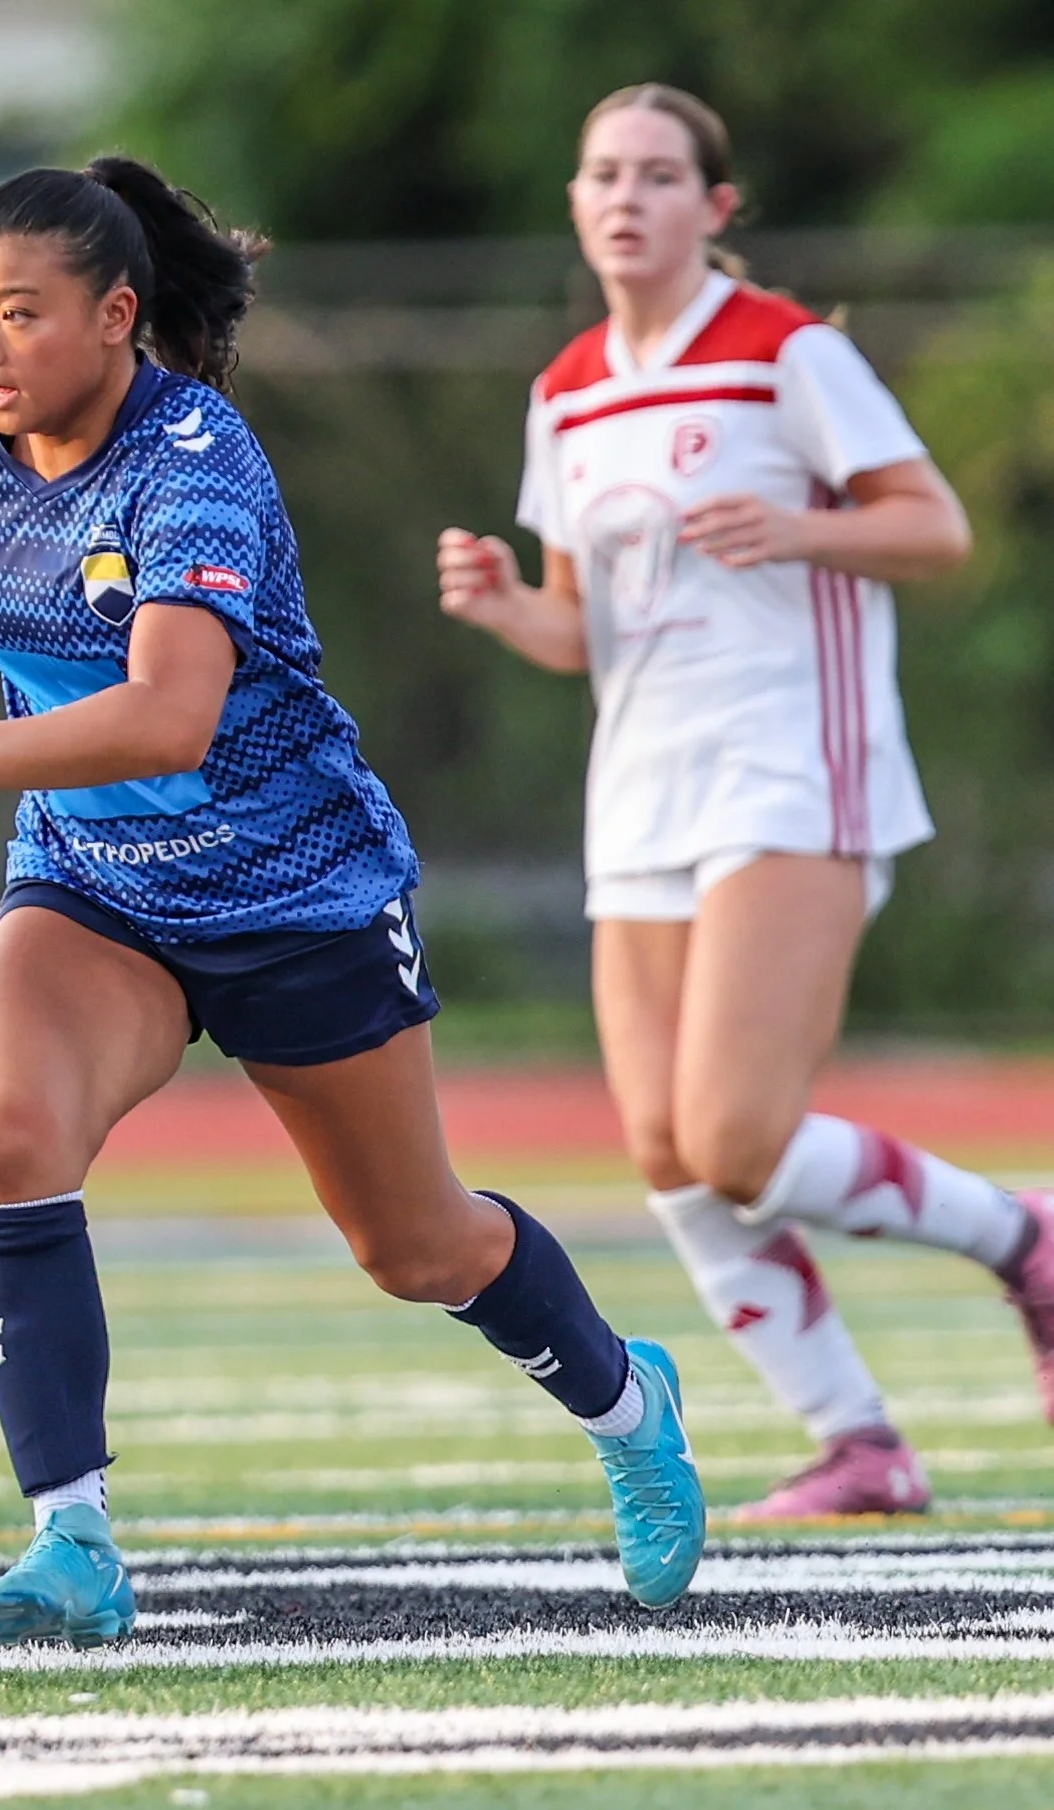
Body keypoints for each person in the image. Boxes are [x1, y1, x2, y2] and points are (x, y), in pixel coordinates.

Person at [0, 156, 705, 1645]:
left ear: (119, 315)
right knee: (12, 1136)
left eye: (21, 312)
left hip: (295, 893)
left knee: (417, 1248)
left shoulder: (194, 456)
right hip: (93, 887)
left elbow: (166, 719)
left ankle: (629, 1400)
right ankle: (72, 1538)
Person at [436, 83, 1052, 1520]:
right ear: (579, 204)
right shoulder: (568, 388)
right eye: (603, 173)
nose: (626, 196)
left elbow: (936, 527)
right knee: (665, 1150)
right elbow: (589, 628)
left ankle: (1022, 1232)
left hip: (792, 769)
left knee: (736, 1135)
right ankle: (860, 1443)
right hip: (641, 788)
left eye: (660, 174)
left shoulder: (790, 352)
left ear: (715, 207)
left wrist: (799, 524)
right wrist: (508, 606)